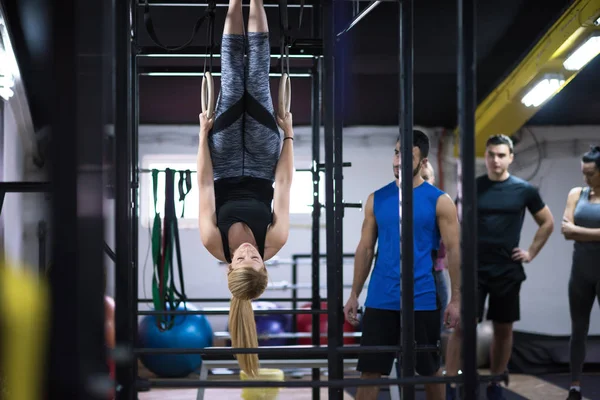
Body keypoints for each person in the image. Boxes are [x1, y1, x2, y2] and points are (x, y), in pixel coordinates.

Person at [196, 0, 295, 377]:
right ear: (265, 267)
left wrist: (203, 138)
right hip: (260, 158)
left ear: (229, 266)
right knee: (256, 74)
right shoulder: (277, 238)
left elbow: (204, 183)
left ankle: (236, 2)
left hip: (221, 160)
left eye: (242, 259)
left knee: (232, 75)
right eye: (256, 260)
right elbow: (284, 182)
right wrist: (287, 134)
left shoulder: (211, 240)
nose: (250, 253)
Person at [343, 130, 462, 400]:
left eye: (407, 155)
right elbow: (365, 249)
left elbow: (454, 250)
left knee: (430, 371)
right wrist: (353, 294)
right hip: (380, 297)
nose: (398, 160)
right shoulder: (377, 199)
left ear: (423, 160)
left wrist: (456, 299)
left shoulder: (440, 201)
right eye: (396, 152)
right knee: (370, 372)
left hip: (421, 297)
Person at [445, 134, 554, 400]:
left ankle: (495, 382)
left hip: (506, 268)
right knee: (462, 327)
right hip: (475, 268)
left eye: (501, 155)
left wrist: (530, 252)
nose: (496, 160)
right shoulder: (473, 187)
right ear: (487, 156)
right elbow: (455, 224)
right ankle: (450, 383)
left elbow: (547, 222)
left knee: (503, 328)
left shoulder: (524, 190)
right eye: (492, 154)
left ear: (511, 158)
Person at [561, 145, 600, 400]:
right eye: (583, 173)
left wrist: (580, 233)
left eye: (590, 173)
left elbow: (574, 230)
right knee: (578, 330)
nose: (585, 178)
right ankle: (575, 386)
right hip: (581, 271)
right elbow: (566, 230)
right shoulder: (577, 193)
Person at [421, 162, 450, 334]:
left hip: (435, 273)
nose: (422, 183)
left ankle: (433, 360)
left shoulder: (441, 206)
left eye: (426, 178)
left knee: (436, 328)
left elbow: (451, 245)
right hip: (408, 274)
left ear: (432, 179)